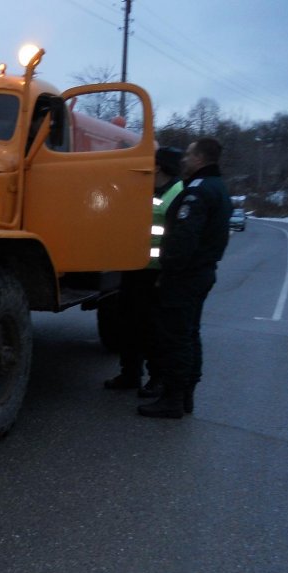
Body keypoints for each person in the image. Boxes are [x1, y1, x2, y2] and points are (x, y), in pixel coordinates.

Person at [138, 137, 232, 418]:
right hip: (201, 272)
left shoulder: (197, 192)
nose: (185, 160)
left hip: (185, 276)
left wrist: (167, 270)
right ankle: (186, 394)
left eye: (190, 155)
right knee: (190, 334)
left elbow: (183, 239)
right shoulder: (218, 188)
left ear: (201, 158)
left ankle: (173, 399)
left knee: (176, 337)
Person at [104, 146, 184, 396]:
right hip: (134, 269)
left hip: (157, 273)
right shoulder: (146, 189)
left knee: (153, 329)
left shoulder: (178, 194)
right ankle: (130, 374)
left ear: (159, 166)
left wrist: (168, 272)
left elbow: (179, 240)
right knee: (128, 323)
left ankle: (157, 378)